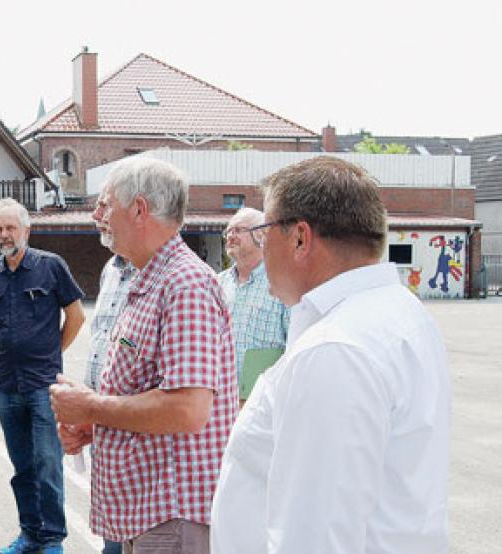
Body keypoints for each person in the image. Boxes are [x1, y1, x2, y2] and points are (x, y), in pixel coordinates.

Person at [210, 156, 451, 553]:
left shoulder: (334, 349)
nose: (263, 246)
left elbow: (314, 538)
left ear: (300, 238)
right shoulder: (399, 314)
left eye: (266, 231)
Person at [50, 157, 237, 553]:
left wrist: (93, 407)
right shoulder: (149, 276)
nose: (97, 216)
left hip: (171, 515)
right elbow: (148, 389)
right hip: (150, 513)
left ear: (139, 209)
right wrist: (95, 424)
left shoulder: (183, 283)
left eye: (106, 204)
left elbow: (186, 409)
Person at [0, 198, 85, 554]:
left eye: (10, 228)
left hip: (44, 385)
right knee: (22, 467)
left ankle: (52, 539)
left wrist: (53, 354)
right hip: (7, 384)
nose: (4, 235)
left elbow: (76, 316)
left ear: (26, 229)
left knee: (48, 464)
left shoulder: (51, 267)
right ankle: (30, 534)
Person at [84, 198, 137, 554]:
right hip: (103, 412)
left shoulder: (174, 279)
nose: (96, 216)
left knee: (131, 530)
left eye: (105, 208)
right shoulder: (111, 269)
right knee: (111, 524)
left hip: (134, 420)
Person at [217, 207, 289, 395]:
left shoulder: (281, 282)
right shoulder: (216, 284)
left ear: (261, 235)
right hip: (221, 400)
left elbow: (294, 343)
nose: (230, 236)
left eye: (238, 230)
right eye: (228, 231)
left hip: (265, 400)